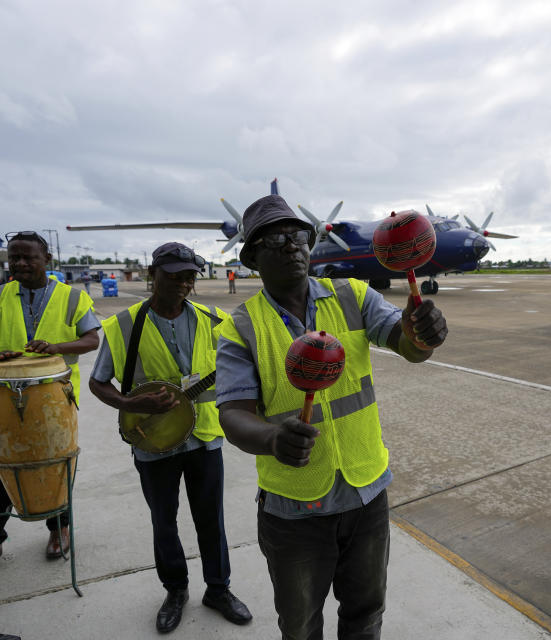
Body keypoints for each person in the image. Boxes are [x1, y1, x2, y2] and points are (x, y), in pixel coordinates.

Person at [215, 195, 448, 639]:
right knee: (301, 626)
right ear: (251, 258)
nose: (292, 246)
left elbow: (409, 347)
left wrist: (424, 335)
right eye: (276, 239)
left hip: (366, 495)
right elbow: (233, 415)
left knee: (366, 615)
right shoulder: (239, 327)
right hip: (295, 512)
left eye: (299, 235)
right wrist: (271, 439)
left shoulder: (353, 295)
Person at [89, 241, 252, 634]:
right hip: (153, 443)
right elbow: (98, 383)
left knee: (211, 520)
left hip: (205, 438)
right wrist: (131, 401)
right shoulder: (124, 325)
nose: (182, 283)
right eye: (173, 275)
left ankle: (218, 589)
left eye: (188, 277)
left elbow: (233, 370)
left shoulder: (214, 319)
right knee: (164, 522)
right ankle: (175, 590)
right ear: (152, 275)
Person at [0, 231, 100, 580]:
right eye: (14, 257)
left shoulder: (71, 298)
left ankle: (59, 529)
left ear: (46, 260)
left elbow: (91, 339)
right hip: (5, 400)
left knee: (57, 465)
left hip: (55, 398)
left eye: (28, 257)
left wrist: (57, 347)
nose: (20, 263)